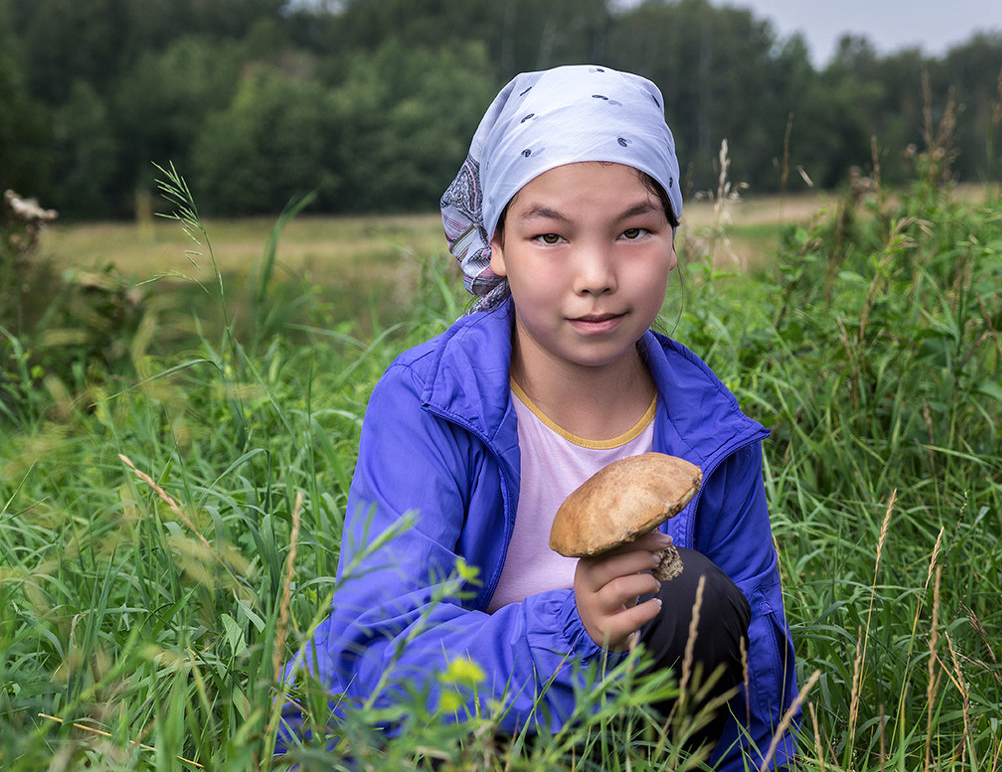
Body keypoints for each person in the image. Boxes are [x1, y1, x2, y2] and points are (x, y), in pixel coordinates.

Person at [285, 64, 798, 769]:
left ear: (674, 239)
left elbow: (752, 670)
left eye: (633, 231)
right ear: (494, 247)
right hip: (432, 743)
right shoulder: (431, 404)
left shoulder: (710, 429)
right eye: (550, 237)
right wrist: (572, 625)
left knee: (696, 593)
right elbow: (375, 651)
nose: (595, 274)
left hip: (609, 741)